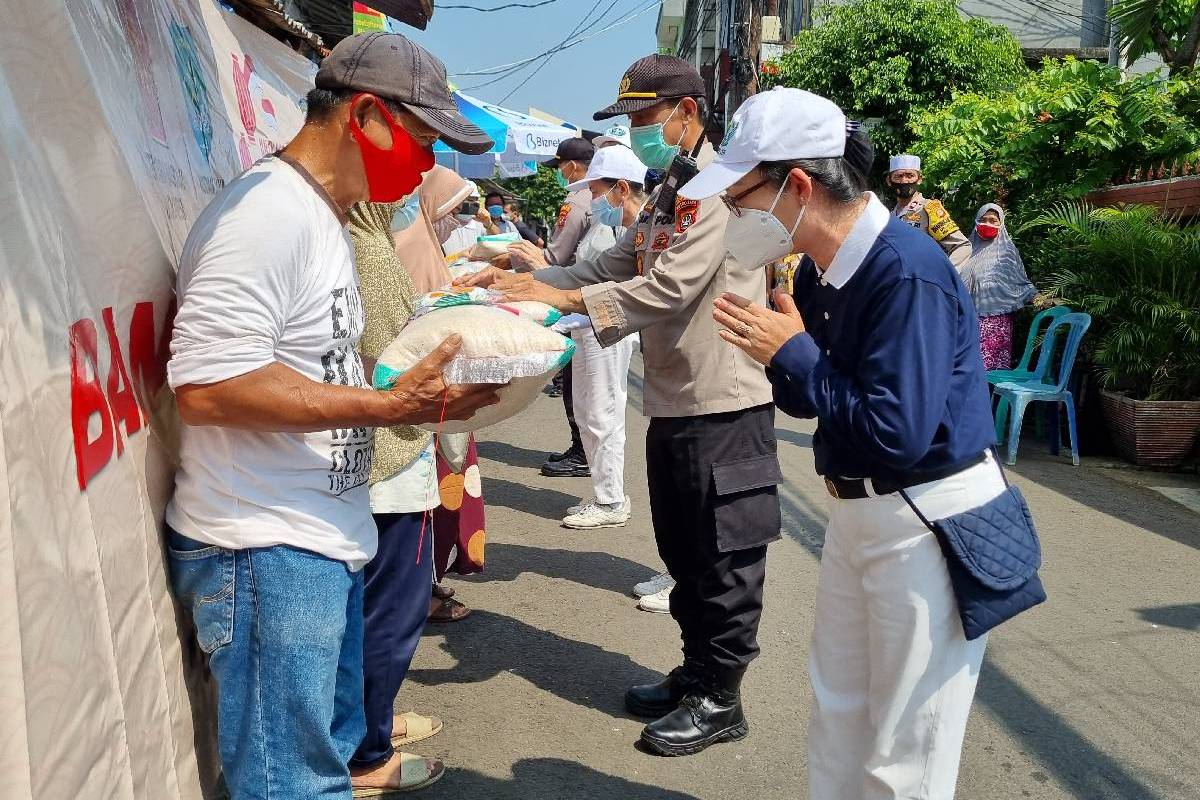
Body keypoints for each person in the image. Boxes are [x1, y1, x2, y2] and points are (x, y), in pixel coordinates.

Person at [163, 31, 498, 800]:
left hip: (305, 541)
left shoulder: (318, 212)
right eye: (422, 143)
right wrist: (386, 406)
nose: (426, 166)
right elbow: (208, 388)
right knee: (294, 785)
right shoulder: (266, 215)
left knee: (314, 772)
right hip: (264, 548)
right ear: (368, 116)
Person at [459, 55, 781, 756]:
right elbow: (613, 266)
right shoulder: (674, 186)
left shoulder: (719, 192)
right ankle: (697, 673)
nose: (636, 133)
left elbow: (667, 288)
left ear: (687, 114)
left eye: (643, 119)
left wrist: (565, 300)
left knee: (723, 560)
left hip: (723, 402)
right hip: (677, 398)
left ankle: (721, 697)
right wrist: (529, 275)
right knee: (684, 552)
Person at [685, 87, 1001, 799]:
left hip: (925, 517)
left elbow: (896, 431)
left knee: (907, 746)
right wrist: (785, 353)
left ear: (797, 186)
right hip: (863, 514)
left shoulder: (905, 268)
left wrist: (795, 352)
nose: (734, 216)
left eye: (740, 197)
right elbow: (819, 400)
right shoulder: (823, 268)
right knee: (839, 712)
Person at [348, 200, 448, 792]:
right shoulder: (363, 244)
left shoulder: (360, 233)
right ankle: (367, 751)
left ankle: (373, 723)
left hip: (383, 455)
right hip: (385, 458)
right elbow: (395, 351)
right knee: (390, 612)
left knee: (380, 610)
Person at [507, 145, 648, 531]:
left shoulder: (633, 228)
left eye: (599, 191)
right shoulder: (621, 227)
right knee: (588, 412)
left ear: (621, 189)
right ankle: (605, 493)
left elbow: (605, 281)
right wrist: (532, 283)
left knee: (602, 412)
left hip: (608, 327)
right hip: (587, 324)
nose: (593, 199)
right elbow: (583, 274)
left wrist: (539, 279)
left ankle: (611, 499)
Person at [529, 137, 598, 478]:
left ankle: (583, 451)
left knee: (578, 383)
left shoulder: (577, 200)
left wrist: (525, 259)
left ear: (572, 166)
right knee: (582, 384)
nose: (560, 174)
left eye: (559, 167)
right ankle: (582, 447)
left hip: (574, 296)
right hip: (584, 296)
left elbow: (556, 254)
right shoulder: (593, 197)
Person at [960, 203, 1038, 370]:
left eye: (993, 220)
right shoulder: (966, 250)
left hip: (995, 323)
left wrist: (1038, 297)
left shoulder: (1007, 252)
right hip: (965, 321)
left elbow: (1019, 283)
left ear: (1001, 224)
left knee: (988, 372)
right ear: (976, 221)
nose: (988, 224)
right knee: (963, 371)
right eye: (983, 220)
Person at [886, 153, 970, 268]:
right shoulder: (887, 216)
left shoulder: (930, 209)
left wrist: (943, 276)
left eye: (910, 175)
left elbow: (962, 246)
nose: (904, 181)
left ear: (919, 179)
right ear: (889, 180)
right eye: (898, 176)